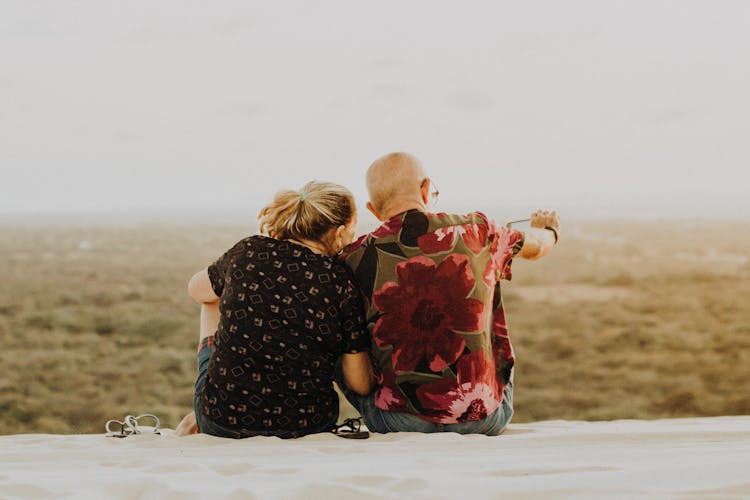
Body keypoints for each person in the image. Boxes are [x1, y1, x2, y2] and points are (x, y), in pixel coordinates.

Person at [338, 152, 559, 435]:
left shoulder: (352, 257)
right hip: (485, 419)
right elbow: (538, 247)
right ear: (426, 189)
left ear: (372, 209)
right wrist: (550, 230)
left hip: (397, 422)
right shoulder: (479, 231)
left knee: (345, 339)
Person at [176, 181, 374, 438]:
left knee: (211, 297)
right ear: (338, 232)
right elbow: (360, 384)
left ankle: (205, 408)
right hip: (307, 426)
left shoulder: (249, 251)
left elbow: (196, 290)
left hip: (222, 420)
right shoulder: (340, 281)